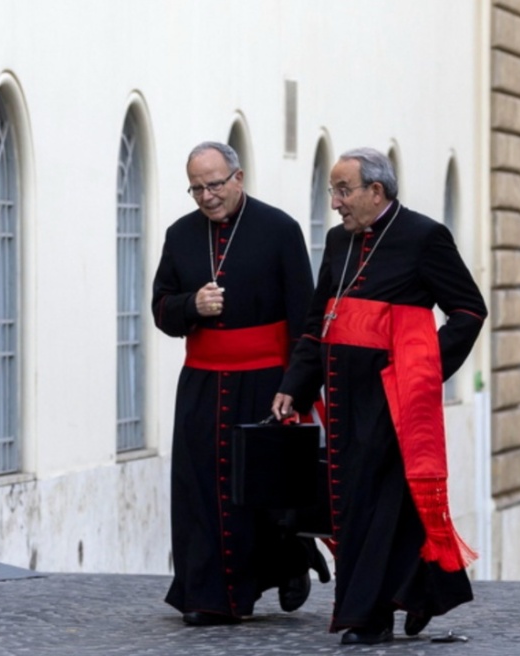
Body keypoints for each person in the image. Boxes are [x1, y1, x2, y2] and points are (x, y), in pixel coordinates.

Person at [272, 147, 486, 645]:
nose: (335, 202)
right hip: (343, 398)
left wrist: (422, 367)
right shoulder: (338, 240)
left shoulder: (425, 236)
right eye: (333, 191)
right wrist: (295, 385)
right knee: (369, 502)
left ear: (376, 190)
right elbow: (318, 321)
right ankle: (421, 592)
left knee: (378, 503)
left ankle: (368, 618)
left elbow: (469, 310)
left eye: (343, 191)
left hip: (395, 396)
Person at [153, 141, 328, 626]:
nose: (206, 196)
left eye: (214, 185)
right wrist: (192, 305)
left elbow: (306, 317)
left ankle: (290, 561)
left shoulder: (279, 229)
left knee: (263, 491)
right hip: (202, 384)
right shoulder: (180, 235)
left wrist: (297, 385)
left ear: (238, 178)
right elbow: (161, 308)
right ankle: (207, 595)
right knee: (200, 488)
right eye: (196, 189)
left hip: (266, 380)